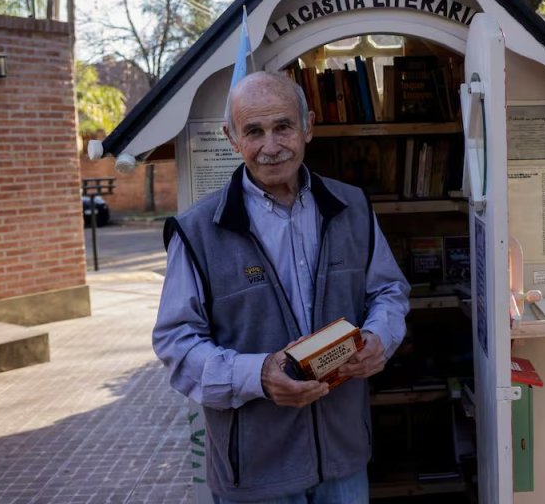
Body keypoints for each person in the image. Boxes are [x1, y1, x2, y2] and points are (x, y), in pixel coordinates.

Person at [153, 71, 410, 504]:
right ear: (231, 138)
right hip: (255, 472)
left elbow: (388, 292)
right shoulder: (197, 231)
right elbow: (177, 345)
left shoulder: (353, 207)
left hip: (343, 460)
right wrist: (258, 376)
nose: (271, 147)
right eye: (254, 131)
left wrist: (378, 338)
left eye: (283, 127)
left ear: (308, 125)